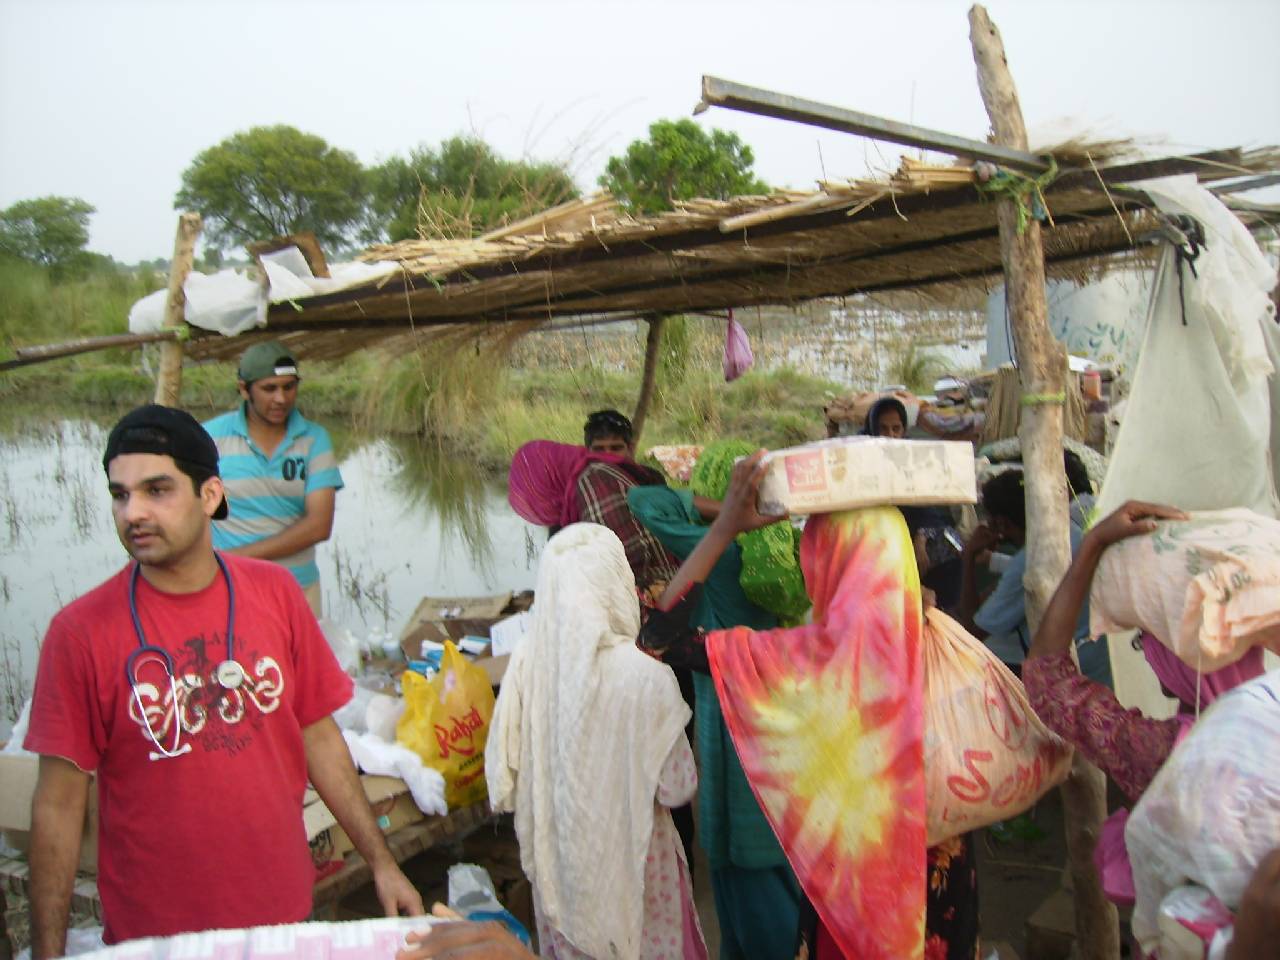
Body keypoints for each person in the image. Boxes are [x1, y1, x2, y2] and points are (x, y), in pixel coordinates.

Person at [24, 405, 421, 958]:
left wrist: (382, 863)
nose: (133, 512)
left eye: (157, 490)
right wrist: (47, 951)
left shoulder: (275, 594)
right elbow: (58, 807)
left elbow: (319, 737)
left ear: (210, 495)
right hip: (155, 938)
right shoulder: (80, 634)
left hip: (282, 919)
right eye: (120, 494)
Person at [646, 454, 979, 960]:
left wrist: (725, 528)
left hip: (851, 897)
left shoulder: (798, 662)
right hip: (941, 880)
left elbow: (659, 637)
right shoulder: (933, 638)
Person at [486, 523, 706, 960]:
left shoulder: (528, 663)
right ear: (616, 584)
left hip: (561, 870)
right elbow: (676, 788)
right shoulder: (646, 678)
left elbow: (509, 770)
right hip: (640, 873)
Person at [629, 442, 804, 960]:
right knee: (774, 842)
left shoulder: (722, 548)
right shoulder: (783, 545)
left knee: (742, 855)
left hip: (732, 724)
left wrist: (724, 517)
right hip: (781, 714)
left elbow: (644, 501)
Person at [1024, 499, 1267, 804]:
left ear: (1182, 651)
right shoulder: (1268, 721)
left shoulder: (1166, 752)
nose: (1146, 654)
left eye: (1145, 637)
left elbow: (1048, 680)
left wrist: (1092, 544)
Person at [203, 341, 343, 618]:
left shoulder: (315, 439)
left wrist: (235, 558)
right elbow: (185, 509)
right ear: (244, 389)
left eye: (289, 387)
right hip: (230, 589)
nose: (281, 398)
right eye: (269, 388)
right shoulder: (209, 438)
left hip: (297, 590)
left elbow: (319, 526)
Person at [959, 455, 1112, 683]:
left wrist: (968, 559)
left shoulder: (1027, 562)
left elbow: (973, 630)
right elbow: (1000, 596)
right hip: (1101, 663)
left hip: (1070, 675)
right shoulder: (1068, 532)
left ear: (1000, 523)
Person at [508, 440, 677, 595]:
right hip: (647, 589)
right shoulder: (581, 484)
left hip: (660, 592)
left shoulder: (593, 481)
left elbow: (627, 563)